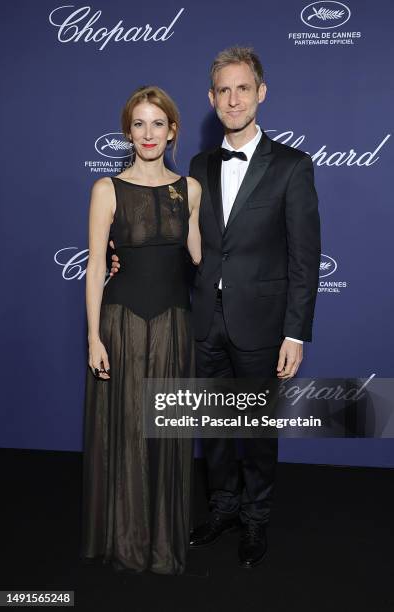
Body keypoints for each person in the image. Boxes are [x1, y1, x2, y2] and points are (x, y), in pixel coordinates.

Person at [111, 46, 321, 569]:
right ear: (211, 99)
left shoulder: (293, 167)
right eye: (223, 90)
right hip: (202, 318)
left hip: (262, 322)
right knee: (214, 428)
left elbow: (305, 256)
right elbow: (176, 236)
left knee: (256, 430)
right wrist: (125, 255)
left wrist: (296, 332)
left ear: (260, 93)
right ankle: (223, 510)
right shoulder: (200, 167)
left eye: (242, 88)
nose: (233, 99)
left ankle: (255, 521)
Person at [81, 85, 202, 575]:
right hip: (122, 324)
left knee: (167, 435)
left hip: (174, 325)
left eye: (158, 124)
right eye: (139, 124)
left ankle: (164, 542)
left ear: (172, 130)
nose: (148, 134)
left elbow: (201, 259)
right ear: (127, 132)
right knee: (127, 432)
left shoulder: (190, 189)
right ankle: (127, 543)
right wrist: (93, 336)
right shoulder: (106, 189)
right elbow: (94, 267)